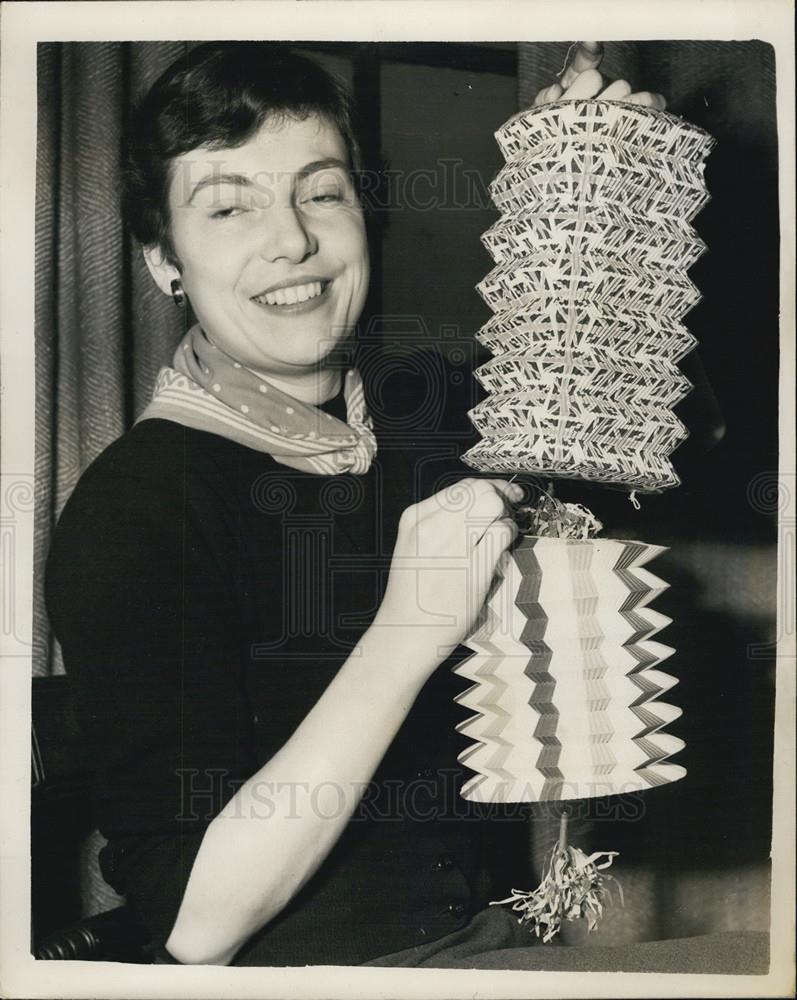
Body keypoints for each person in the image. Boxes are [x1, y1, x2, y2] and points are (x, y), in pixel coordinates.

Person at [44, 40, 665, 967]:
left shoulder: (432, 410)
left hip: (502, 949)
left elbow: (662, 426)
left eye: (320, 192)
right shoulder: (133, 516)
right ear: (162, 262)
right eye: (228, 206)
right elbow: (196, 925)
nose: (291, 239)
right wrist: (407, 630)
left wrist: (598, 191)